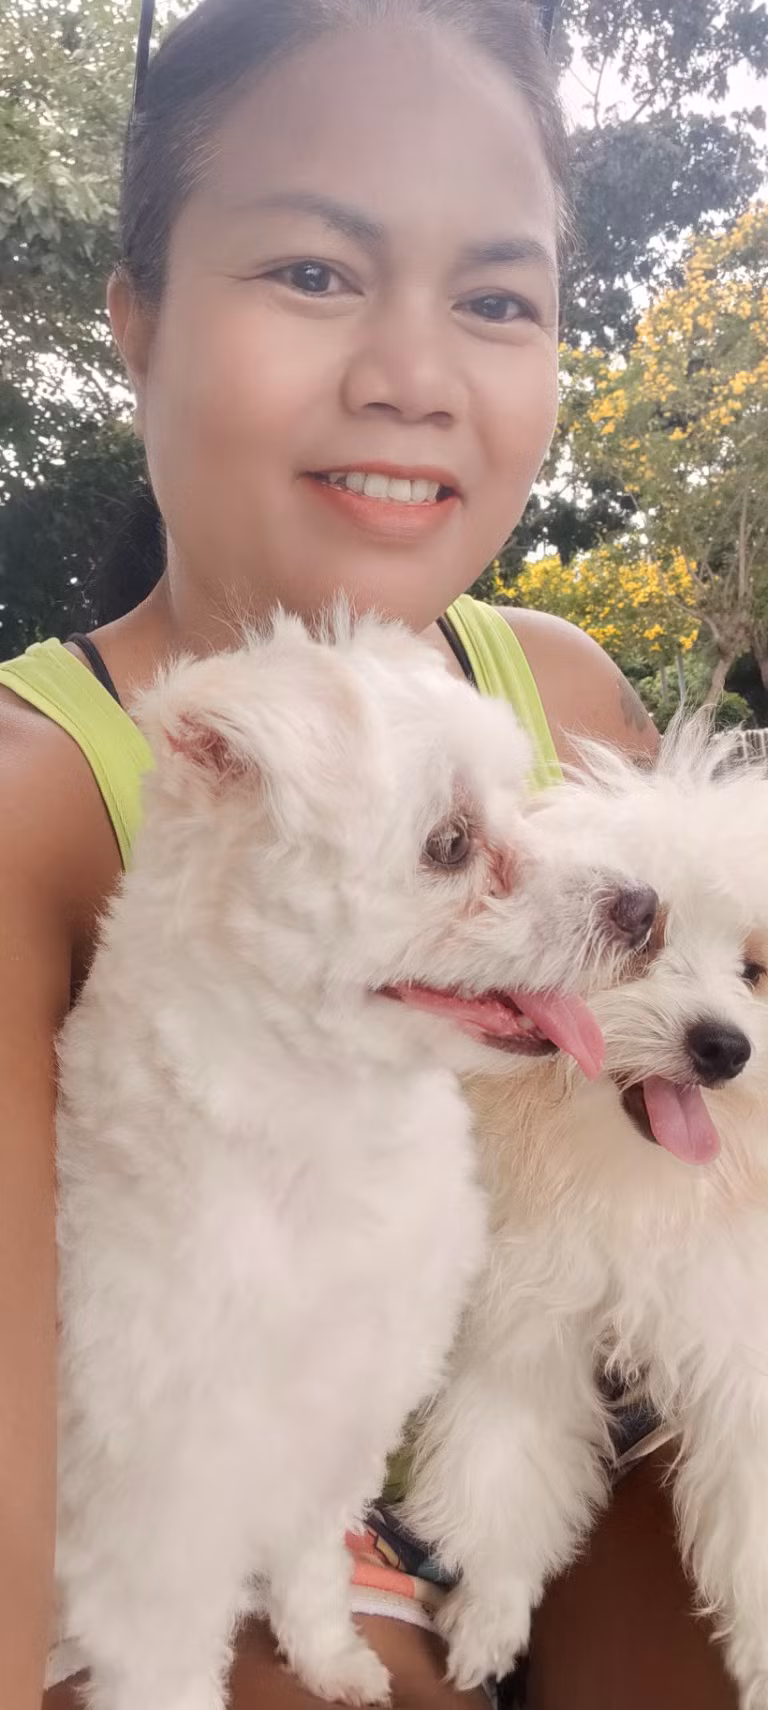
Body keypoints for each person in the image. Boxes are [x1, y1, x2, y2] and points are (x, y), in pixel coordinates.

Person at [0, 2, 737, 1705]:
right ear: (135, 314)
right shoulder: (40, 803)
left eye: (497, 299)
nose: (414, 374)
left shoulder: (564, 695)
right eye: (317, 272)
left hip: (544, 1432)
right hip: (178, 1501)